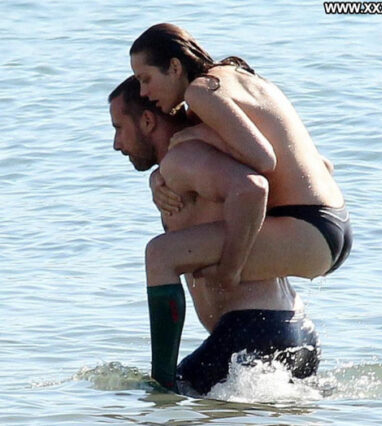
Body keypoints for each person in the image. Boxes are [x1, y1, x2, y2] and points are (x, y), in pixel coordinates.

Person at [109, 76, 322, 395]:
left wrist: (230, 270)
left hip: (254, 330)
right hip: (296, 331)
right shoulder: (193, 162)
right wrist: (156, 178)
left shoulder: (187, 158)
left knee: (161, 395)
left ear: (148, 121)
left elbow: (251, 188)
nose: (116, 144)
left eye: (118, 128)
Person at [130, 23, 352, 291]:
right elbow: (324, 164)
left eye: (145, 79)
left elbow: (264, 160)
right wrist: (156, 178)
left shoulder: (201, 91)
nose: (142, 93)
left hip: (305, 229)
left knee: (165, 255)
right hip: (334, 221)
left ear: (175, 67)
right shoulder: (239, 77)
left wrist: (201, 135)